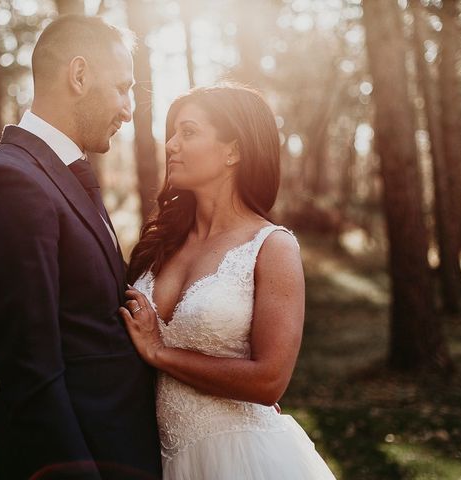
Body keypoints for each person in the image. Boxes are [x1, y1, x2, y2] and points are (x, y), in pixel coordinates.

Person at [0, 14, 161, 480]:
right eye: (122, 88)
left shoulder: (59, 173)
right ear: (80, 75)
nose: (129, 109)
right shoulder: (10, 183)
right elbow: (31, 373)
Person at [120, 85, 336, 479]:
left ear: (232, 151)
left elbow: (270, 380)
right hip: (162, 460)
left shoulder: (271, 246)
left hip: (244, 459)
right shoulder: (159, 245)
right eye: (173, 133)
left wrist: (160, 353)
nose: (170, 145)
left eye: (188, 132)